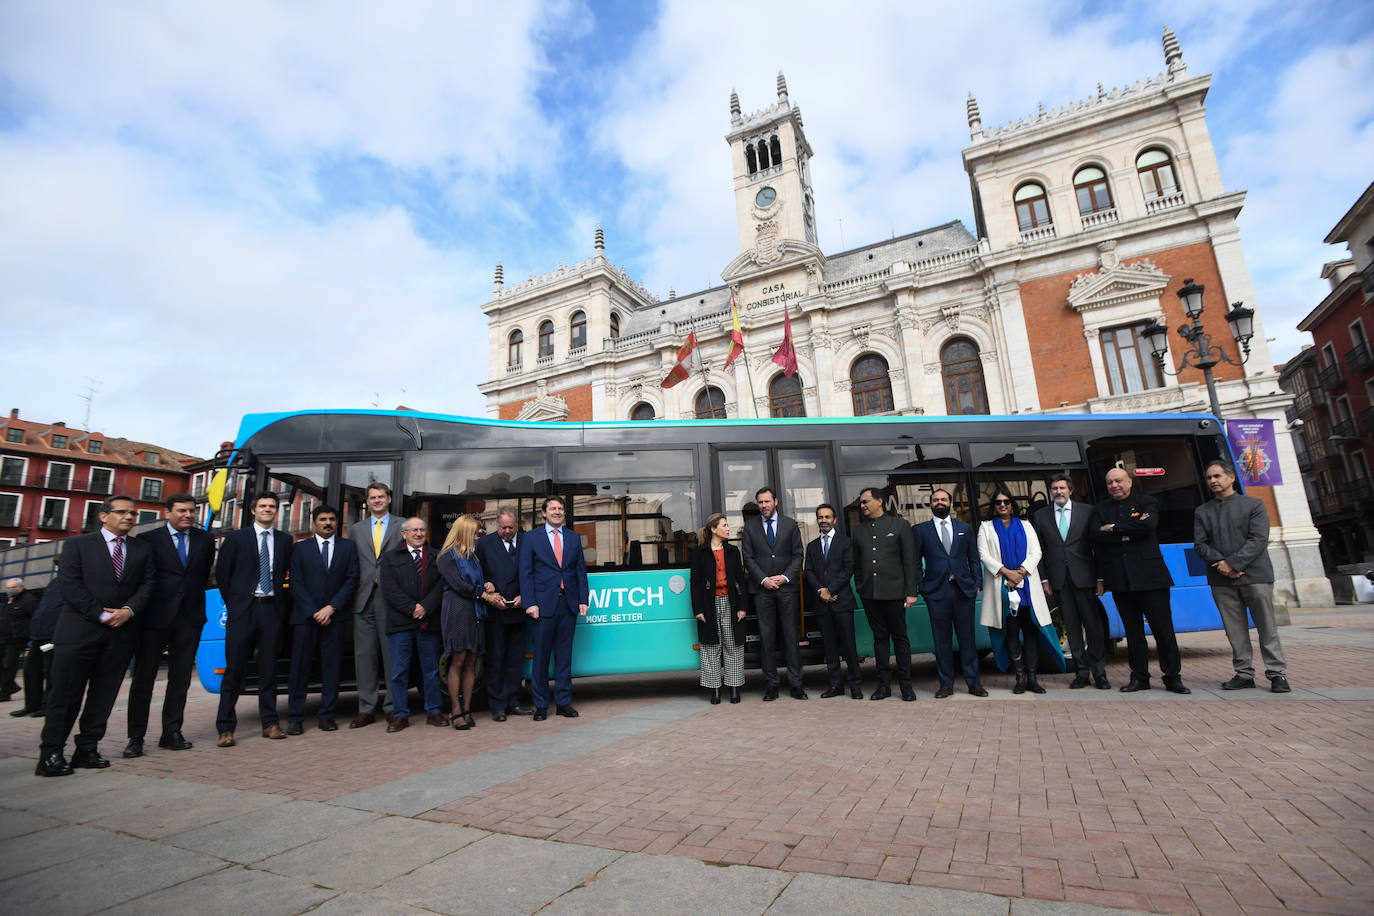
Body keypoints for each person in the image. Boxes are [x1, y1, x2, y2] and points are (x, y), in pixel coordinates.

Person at [36, 495, 154, 776]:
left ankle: (87, 748)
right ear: (103, 516)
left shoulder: (142, 549)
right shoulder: (77, 545)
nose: (129, 517)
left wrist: (127, 611)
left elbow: (149, 584)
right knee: (65, 696)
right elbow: (70, 586)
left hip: (120, 635)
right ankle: (51, 753)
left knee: (103, 696)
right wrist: (102, 614)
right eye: (122, 512)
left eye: (133, 513)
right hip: (79, 633)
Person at [123, 494, 215, 758]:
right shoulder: (148, 540)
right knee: (143, 680)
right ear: (168, 512)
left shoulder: (205, 540)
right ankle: (136, 737)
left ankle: (171, 732)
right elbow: (141, 577)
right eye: (182, 510)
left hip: (190, 617)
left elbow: (201, 572)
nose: (188, 515)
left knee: (181, 678)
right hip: (154, 618)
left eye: (192, 511)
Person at [1090, 468, 1190, 694]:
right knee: (1133, 634)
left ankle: (1173, 676)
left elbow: (1147, 526)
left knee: (1163, 631)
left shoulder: (1147, 502)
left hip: (1151, 578)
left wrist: (1113, 528)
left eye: (1119, 481)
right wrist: (1124, 532)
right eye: (1110, 482)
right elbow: (1096, 536)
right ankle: (1139, 677)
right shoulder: (1101, 509)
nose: (1114, 485)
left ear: (1129, 482)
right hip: (1120, 581)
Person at [1194, 460, 1290, 693]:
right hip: (1221, 579)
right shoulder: (1202, 511)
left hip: (1255, 576)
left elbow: (1258, 539)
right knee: (1234, 629)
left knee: (1267, 627)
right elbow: (1200, 544)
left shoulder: (1254, 505)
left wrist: (1233, 563)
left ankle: (1277, 674)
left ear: (1231, 478)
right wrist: (1223, 565)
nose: (1213, 481)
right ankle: (1244, 673)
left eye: (1217, 476)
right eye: (1209, 478)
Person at [215, 492, 294, 746]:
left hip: (271, 610)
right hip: (243, 611)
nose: (268, 509)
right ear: (253, 510)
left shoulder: (284, 540)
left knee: (269, 670)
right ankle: (226, 728)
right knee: (234, 670)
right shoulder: (236, 538)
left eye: (272, 506)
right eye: (263, 506)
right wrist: (236, 604)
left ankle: (270, 723)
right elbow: (223, 574)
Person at [286, 505, 359, 734]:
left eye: (331, 519)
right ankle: (295, 717)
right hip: (306, 619)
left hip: (335, 618)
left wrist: (331, 608)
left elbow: (351, 579)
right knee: (300, 670)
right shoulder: (300, 548)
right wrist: (314, 611)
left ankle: (327, 715)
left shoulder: (348, 547)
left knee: (332, 668)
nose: (328, 523)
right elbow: (296, 582)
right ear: (314, 523)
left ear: (337, 522)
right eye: (322, 519)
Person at [1031, 476, 1110, 690]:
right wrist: (1045, 579)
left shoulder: (1088, 511)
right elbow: (1039, 551)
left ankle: (1100, 674)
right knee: (1072, 628)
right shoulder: (1040, 515)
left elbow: (1098, 547)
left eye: (1062, 488)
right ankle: (1081, 673)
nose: (1058, 491)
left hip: (1085, 579)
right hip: (1059, 581)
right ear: (1050, 491)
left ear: (1070, 490)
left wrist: (1100, 578)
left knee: (1093, 628)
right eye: (1054, 488)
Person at [518, 496, 589, 720]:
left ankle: (563, 703)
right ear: (544, 513)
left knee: (564, 657)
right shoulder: (531, 538)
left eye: (560, 508)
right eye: (553, 508)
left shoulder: (574, 538)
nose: (557, 512)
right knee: (540, 658)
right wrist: (530, 603)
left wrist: (583, 599)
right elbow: (525, 573)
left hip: (567, 605)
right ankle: (540, 705)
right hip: (541, 607)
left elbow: (580, 572)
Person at [977, 488, 1054, 694]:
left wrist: (1020, 572)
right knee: (1011, 633)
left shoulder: (1026, 525)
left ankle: (1032, 678)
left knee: (1030, 633)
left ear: (1012, 504)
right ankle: (1019, 678)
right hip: (1002, 587)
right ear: (993, 506)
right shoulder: (985, 527)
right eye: (998, 502)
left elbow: (1036, 551)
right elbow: (984, 555)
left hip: (1027, 586)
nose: (1003, 505)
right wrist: (1007, 573)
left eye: (1006, 501)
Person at [912, 488, 986, 698]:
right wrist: (922, 587)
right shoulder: (921, 530)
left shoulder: (964, 528)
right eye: (936, 500)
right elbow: (916, 563)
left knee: (967, 639)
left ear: (951, 504)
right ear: (931, 504)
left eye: (944, 499)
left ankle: (974, 684)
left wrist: (977, 582)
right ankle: (946, 685)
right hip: (936, 593)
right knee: (941, 641)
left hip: (963, 591)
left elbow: (973, 558)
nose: (940, 502)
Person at [852, 486, 920, 700]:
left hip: (895, 592)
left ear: (879, 501)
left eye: (865, 501)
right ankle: (884, 686)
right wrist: (861, 587)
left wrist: (911, 592)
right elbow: (857, 563)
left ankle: (906, 686)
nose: (862, 506)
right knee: (879, 639)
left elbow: (910, 561)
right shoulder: (859, 530)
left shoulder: (900, 525)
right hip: (870, 594)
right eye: (861, 502)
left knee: (900, 638)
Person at [380, 517, 447, 730]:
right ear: (404, 534)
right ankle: (400, 714)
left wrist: (425, 607)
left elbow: (440, 586)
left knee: (431, 670)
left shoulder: (437, 556)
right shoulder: (390, 558)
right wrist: (412, 608)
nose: (418, 534)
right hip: (401, 624)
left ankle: (434, 712)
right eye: (414, 530)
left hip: (428, 623)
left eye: (422, 530)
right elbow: (389, 590)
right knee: (399, 672)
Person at [346, 482, 404, 728]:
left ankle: (393, 707)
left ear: (389, 499)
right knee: (364, 657)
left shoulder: (402, 525)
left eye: (381, 496)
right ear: (367, 502)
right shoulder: (356, 530)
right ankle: (366, 708)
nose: (377, 500)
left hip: (391, 601)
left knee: (392, 658)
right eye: (372, 497)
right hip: (363, 600)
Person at [740, 486, 806, 700]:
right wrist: (764, 579)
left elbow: (798, 555)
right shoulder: (750, 527)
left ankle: (796, 684)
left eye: (767, 501)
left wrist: (785, 577)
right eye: (760, 502)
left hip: (787, 589)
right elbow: (748, 558)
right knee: (766, 639)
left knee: (790, 637)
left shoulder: (790, 525)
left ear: (775, 502)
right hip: (762, 591)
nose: (763, 506)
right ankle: (772, 685)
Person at [475, 508, 532, 721]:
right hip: (495, 613)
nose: (507, 531)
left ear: (516, 525)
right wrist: (488, 590)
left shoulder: (528, 541)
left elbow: (534, 573)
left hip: (519, 610)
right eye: (503, 528)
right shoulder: (484, 544)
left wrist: (525, 597)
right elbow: (476, 573)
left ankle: (514, 702)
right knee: (496, 659)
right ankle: (497, 706)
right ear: (496, 525)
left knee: (515, 660)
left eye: (510, 527)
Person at [804, 504, 862, 699]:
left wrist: (831, 590)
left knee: (849, 646)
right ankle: (835, 686)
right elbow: (809, 571)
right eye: (820, 517)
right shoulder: (812, 546)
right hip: (822, 603)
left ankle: (855, 686)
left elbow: (848, 569)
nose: (824, 520)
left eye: (827, 517)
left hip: (842, 602)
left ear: (834, 519)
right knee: (829, 647)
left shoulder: (846, 543)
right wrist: (822, 591)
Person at [689, 513, 748, 704]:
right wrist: (698, 609)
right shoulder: (700, 553)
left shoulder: (732, 551)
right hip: (709, 604)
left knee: (733, 646)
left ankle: (734, 688)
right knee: (711, 647)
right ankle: (715, 689)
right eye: (724, 525)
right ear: (714, 529)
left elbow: (741, 580)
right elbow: (695, 583)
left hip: (731, 603)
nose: (728, 528)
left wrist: (742, 607)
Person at [437, 515, 485, 731]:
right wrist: (483, 594)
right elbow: (460, 586)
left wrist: (487, 587)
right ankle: (455, 710)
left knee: (471, 661)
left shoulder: (472, 557)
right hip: (457, 611)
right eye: (475, 532)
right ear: (465, 532)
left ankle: (467, 709)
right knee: (457, 660)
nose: (478, 536)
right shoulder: (447, 557)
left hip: (474, 612)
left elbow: (477, 584)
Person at [11, 581, 62, 718]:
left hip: (52, 635)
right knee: (30, 670)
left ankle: (47, 707)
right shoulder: (53, 584)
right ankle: (32, 706)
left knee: (51, 672)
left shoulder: (74, 582)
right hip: (39, 635)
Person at [1, 577, 37, 702]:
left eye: (13, 588)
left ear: (21, 587)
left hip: (17, 638)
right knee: (5, 665)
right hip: (4, 637)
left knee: (9, 665)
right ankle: (11, 686)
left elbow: (35, 617)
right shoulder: (9, 600)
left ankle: (5, 693)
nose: (10, 590)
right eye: (8, 588)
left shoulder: (28, 600)